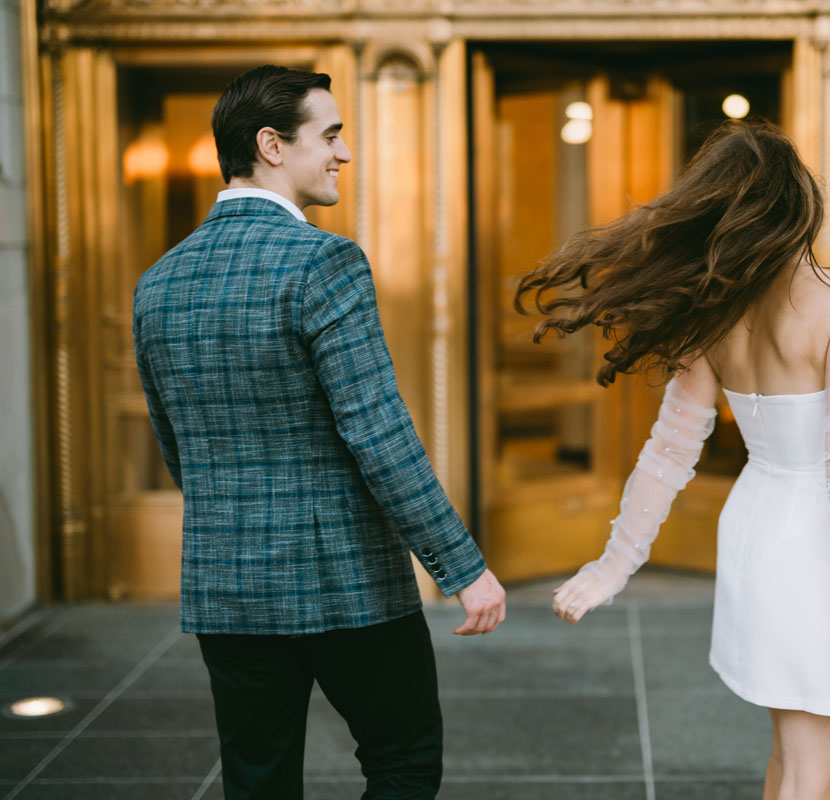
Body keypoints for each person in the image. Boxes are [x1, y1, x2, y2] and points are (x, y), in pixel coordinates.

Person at [515, 120, 830, 800]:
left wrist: (613, 564)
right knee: (818, 774)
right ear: (800, 208)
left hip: (759, 535)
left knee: (793, 760)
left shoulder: (713, 315)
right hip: (827, 549)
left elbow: (671, 449)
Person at [133, 65, 506, 799]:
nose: (342, 153)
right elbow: (379, 433)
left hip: (228, 583)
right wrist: (461, 566)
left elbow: (175, 441)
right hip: (345, 582)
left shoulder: (160, 280)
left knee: (257, 780)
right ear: (271, 144)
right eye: (329, 135)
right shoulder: (324, 262)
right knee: (402, 762)